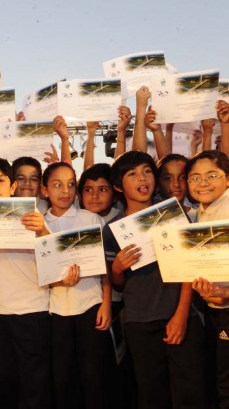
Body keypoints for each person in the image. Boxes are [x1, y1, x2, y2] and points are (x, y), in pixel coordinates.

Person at [103, 151, 208, 409]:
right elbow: (119, 284)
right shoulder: (113, 229)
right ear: (118, 185)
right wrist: (116, 269)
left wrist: (181, 315)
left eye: (147, 171)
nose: (143, 178)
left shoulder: (173, 214)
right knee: (151, 393)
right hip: (139, 321)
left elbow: (189, 266)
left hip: (182, 315)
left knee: (190, 392)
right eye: (132, 174)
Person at [0, 157, 52, 409]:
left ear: (12, 187)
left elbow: (54, 260)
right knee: (5, 383)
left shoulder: (35, 216)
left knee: (34, 385)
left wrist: (42, 231)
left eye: (1, 180)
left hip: (33, 310)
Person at [41, 162, 112, 409]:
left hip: (90, 306)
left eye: (71, 184)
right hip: (56, 311)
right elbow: (39, 272)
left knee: (94, 379)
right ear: (44, 190)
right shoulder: (38, 223)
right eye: (57, 184)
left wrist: (106, 304)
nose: (65, 191)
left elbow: (104, 268)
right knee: (63, 379)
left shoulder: (90, 218)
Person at [187, 151, 229, 407]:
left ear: (227, 179)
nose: (203, 183)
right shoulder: (198, 215)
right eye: (195, 178)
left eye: (211, 175)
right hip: (214, 311)